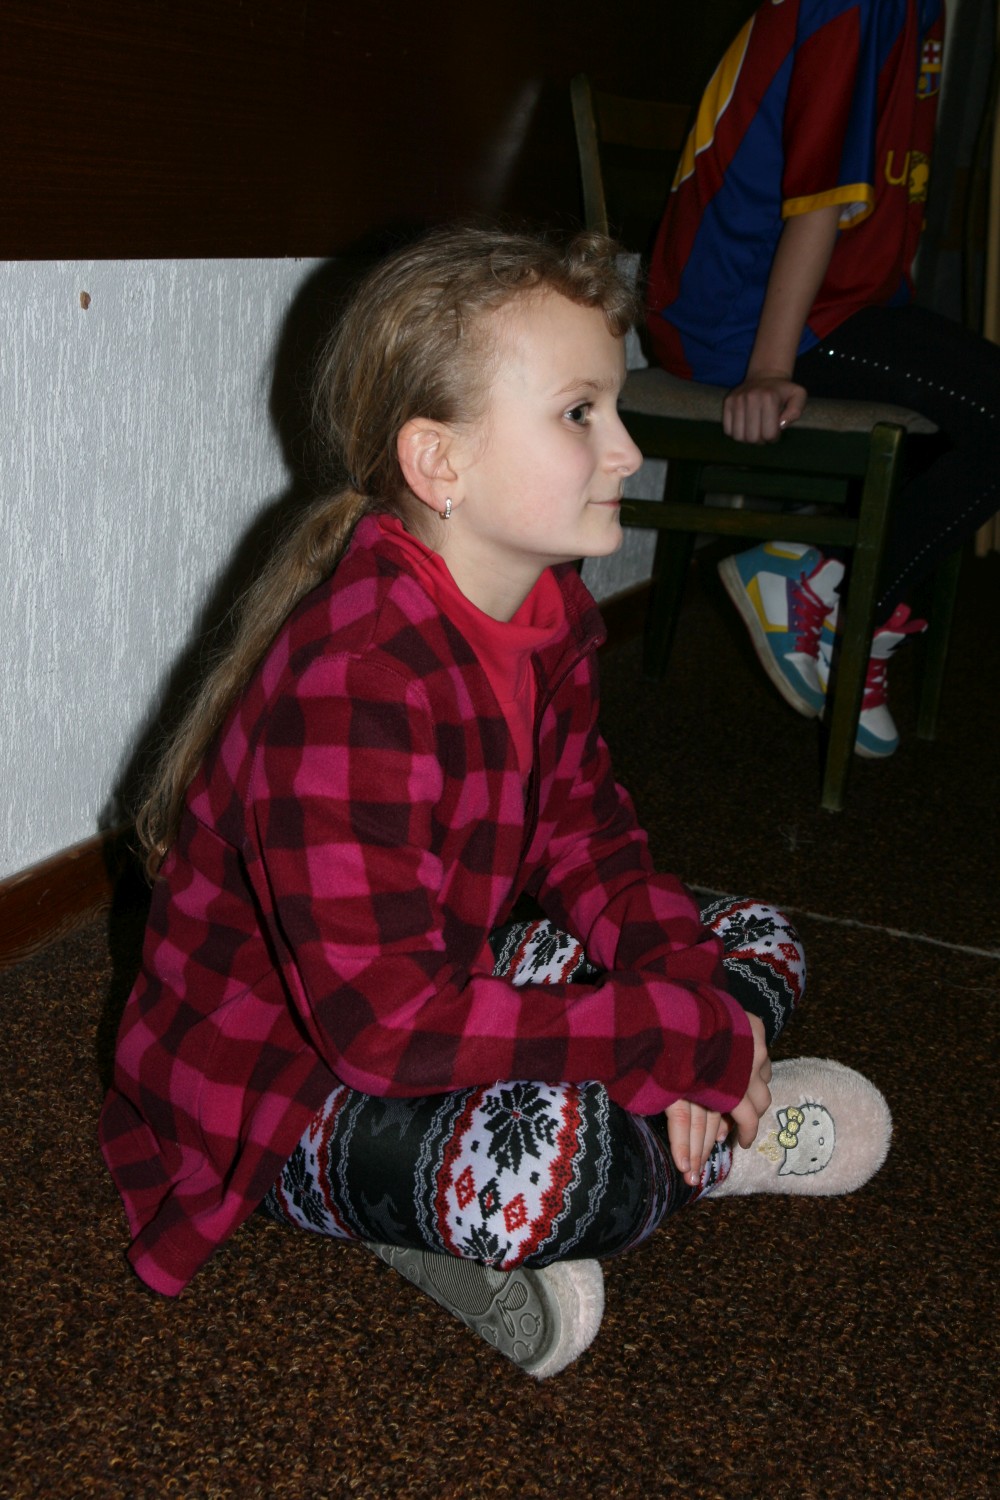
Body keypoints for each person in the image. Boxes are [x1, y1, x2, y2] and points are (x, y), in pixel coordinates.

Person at [100, 226, 891, 1379]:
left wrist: (682, 997)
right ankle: (716, 1139)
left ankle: (691, 1111)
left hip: (436, 984)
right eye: (579, 413)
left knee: (752, 940)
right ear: (440, 462)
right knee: (567, 1169)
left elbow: (589, 838)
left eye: (610, 407)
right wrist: (675, 1038)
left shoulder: (545, 617)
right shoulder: (356, 683)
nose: (625, 449)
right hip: (284, 1090)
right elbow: (383, 1030)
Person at [646, 0, 1000, 758]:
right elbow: (819, 192)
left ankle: (837, 595)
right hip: (743, 314)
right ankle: (832, 594)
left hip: (832, 300)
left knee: (972, 407)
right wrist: (769, 369)